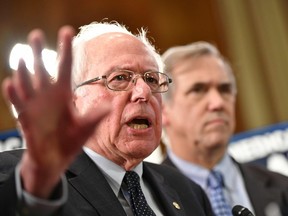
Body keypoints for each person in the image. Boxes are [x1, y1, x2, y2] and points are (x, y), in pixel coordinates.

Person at [0, 22, 214, 216]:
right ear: (73, 100)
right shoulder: (17, 175)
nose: (143, 92)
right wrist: (34, 191)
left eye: (151, 79)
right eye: (120, 78)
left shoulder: (188, 191)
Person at [161, 41, 288, 216]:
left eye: (225, 89)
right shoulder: (148, 200)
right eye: (198, 90)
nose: (218, 103)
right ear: (162, 110)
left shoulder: (283, 188)